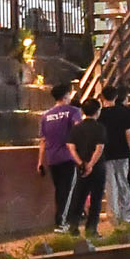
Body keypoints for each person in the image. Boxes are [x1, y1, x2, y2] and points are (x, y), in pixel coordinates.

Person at [36, 81, 82, 231]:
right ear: (66, 95)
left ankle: (61, 221)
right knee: (68, 191)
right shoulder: (73, 111)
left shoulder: (46, 116)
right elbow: (78, 130)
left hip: (52, 159)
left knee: (60, 191)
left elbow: (43, 141)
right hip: (68, 157)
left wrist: (40, 162)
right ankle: (62, 222)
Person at [65, 97, 107, 236]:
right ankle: (91, 228)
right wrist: (91, 164)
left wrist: (81, 163)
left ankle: (73, 226)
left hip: (81, 168)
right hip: (98, 167)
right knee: (96, 198)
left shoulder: (77, 128)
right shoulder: (99, 127)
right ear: (97, 111)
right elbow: (99, 148)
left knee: (79, 196)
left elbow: (71, 147)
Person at [98, 85, 130, 228]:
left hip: (106, 155)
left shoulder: (100, 115)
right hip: (123, 153)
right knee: (123, 184)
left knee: (110, 186)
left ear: (102, 97)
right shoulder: (124, 112)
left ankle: (113, 216)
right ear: (116, 97)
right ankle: (126, 215)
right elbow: (129, 135)